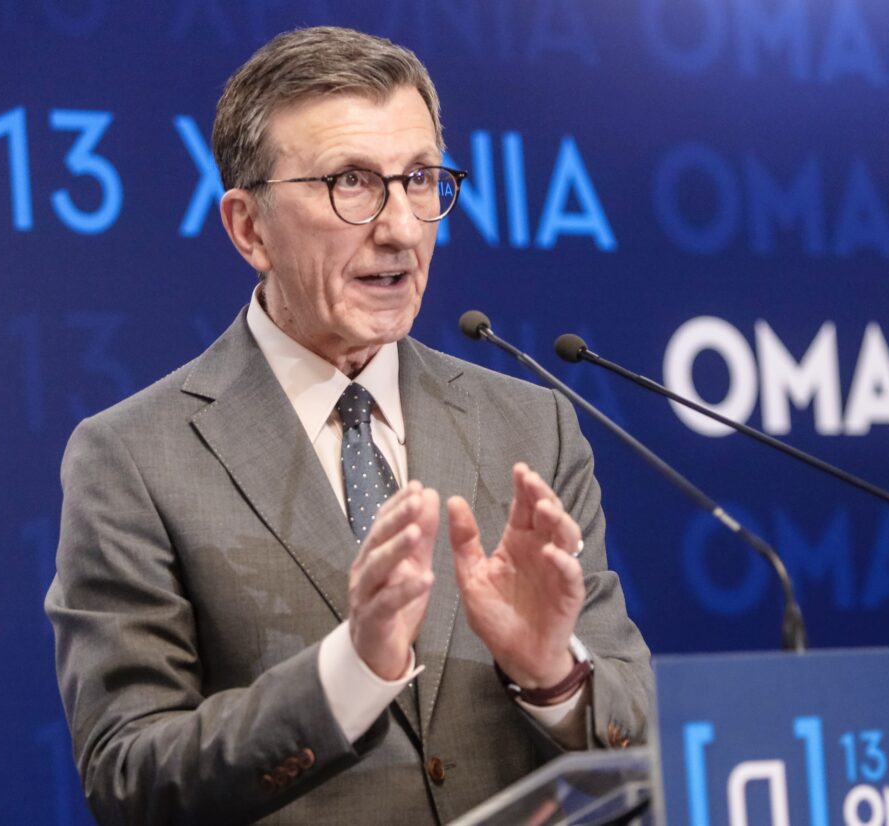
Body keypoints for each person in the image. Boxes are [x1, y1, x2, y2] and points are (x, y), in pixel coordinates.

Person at [45, 26, 651, 824]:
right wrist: (351, 673)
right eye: (351, 183)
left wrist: (553, 676)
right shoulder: (133, 457)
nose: (400, 227)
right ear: (249, 228)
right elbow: (130, 779)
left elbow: (639, 732)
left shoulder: (532, 425)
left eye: (420, 180)